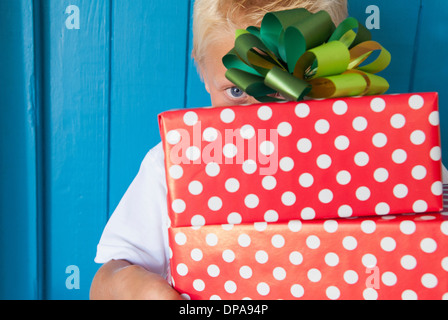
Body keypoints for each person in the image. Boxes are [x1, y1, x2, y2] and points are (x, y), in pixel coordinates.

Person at [89, 0, 447, 300]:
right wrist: (140, 290)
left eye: (287, 87)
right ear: (203, 72)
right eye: (236, 91)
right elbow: (106, 279)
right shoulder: (175, 163)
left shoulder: (394, 155)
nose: (261, 114)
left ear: (335, 71)